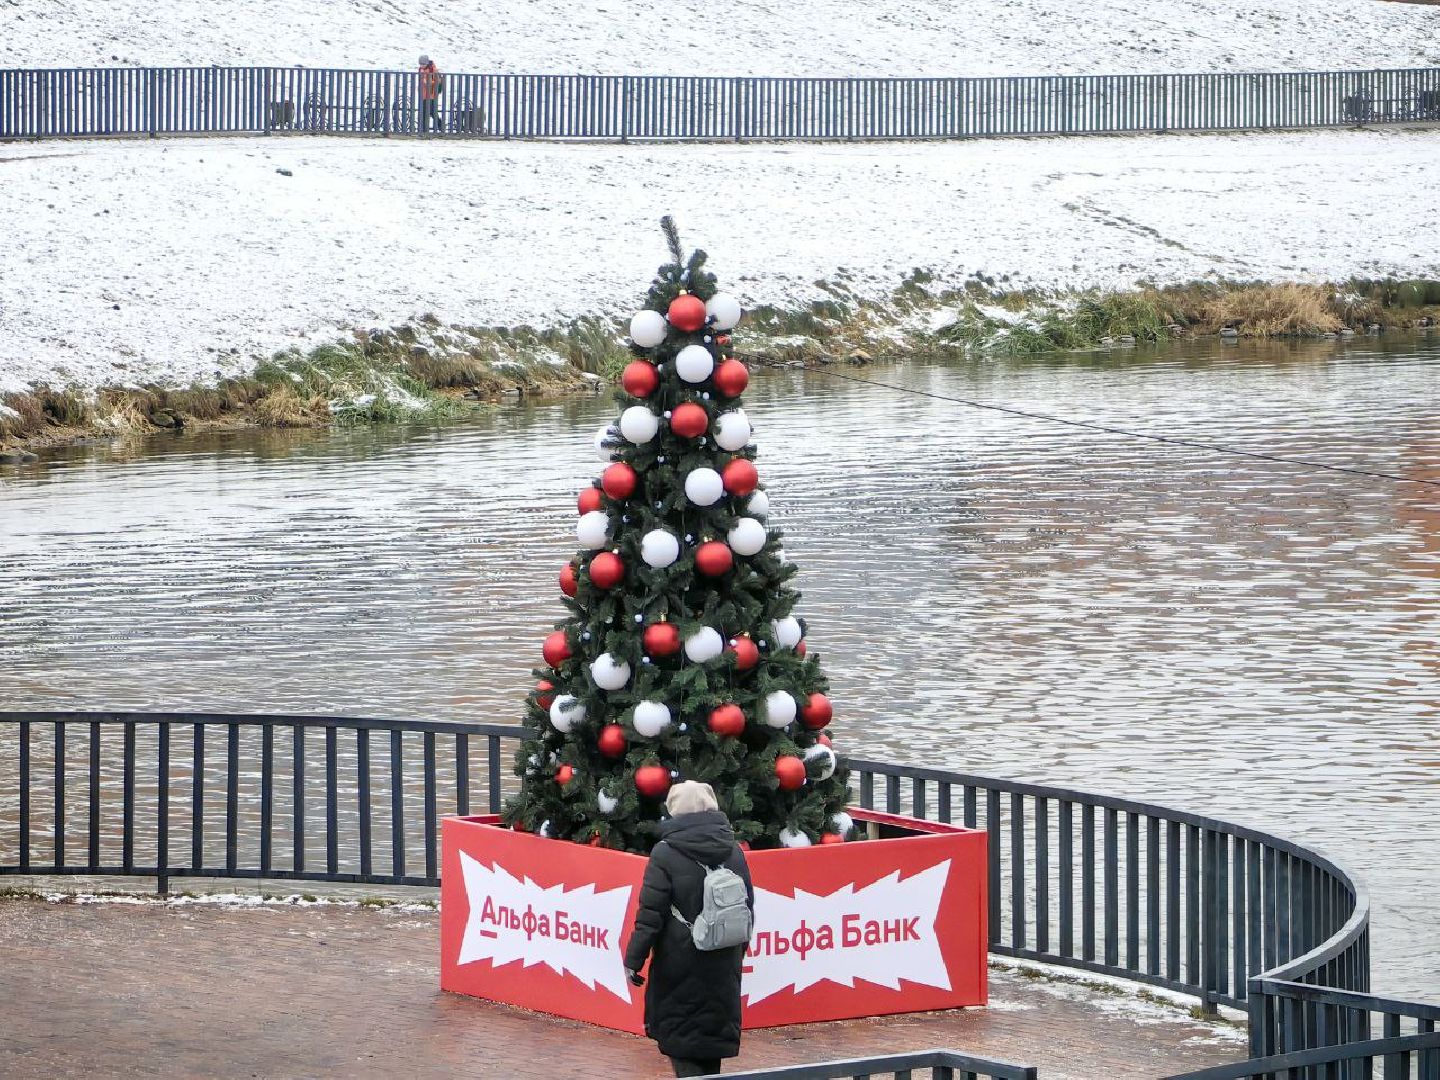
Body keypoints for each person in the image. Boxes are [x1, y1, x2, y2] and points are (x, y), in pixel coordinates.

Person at [624, 781, 755, 1077]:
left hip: (679, 961)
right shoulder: (733, 850)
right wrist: (736, 953)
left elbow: (650, 916)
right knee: (710, 1044)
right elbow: (749, 909)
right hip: (723, 959)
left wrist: (634, 960)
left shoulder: (665, 853)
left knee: (683, 1043)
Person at [417, 55, 444, 133]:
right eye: (420, 64)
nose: (421, 66)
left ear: (427, 63)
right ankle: (424, 129)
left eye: (423, 64)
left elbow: (438, 81)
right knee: (424, 111)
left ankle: (440, 126)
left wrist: (428, 82)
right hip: (423, 94)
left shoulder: (433, 69)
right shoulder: (421, 69)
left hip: (431, 94)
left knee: (432, 111)